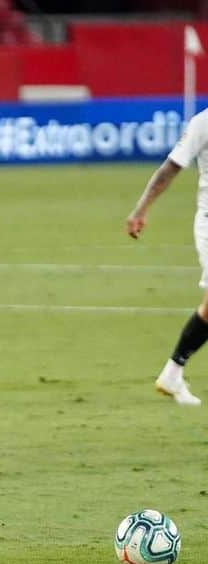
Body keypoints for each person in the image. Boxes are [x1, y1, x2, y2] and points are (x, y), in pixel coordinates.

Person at [126, 109, 208, 407]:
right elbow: (170, 168)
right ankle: (173, 374)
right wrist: (141, 209)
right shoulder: (203, 123)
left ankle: (172, 374)